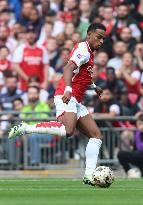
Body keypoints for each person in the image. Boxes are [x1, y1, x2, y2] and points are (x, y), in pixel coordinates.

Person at [8, 23, 106, 186]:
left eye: (103, 38)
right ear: (89, 35)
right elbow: (68, 69)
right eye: (99, 37)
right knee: (68, 131)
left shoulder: (89, 52)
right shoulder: (83, 49)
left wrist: (94, 86)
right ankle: (26, 127)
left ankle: (89, 176)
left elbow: (80, 75)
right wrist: (68, 89)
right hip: (66, 95)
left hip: (76, 99)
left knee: (96, 136)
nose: (101, 41)